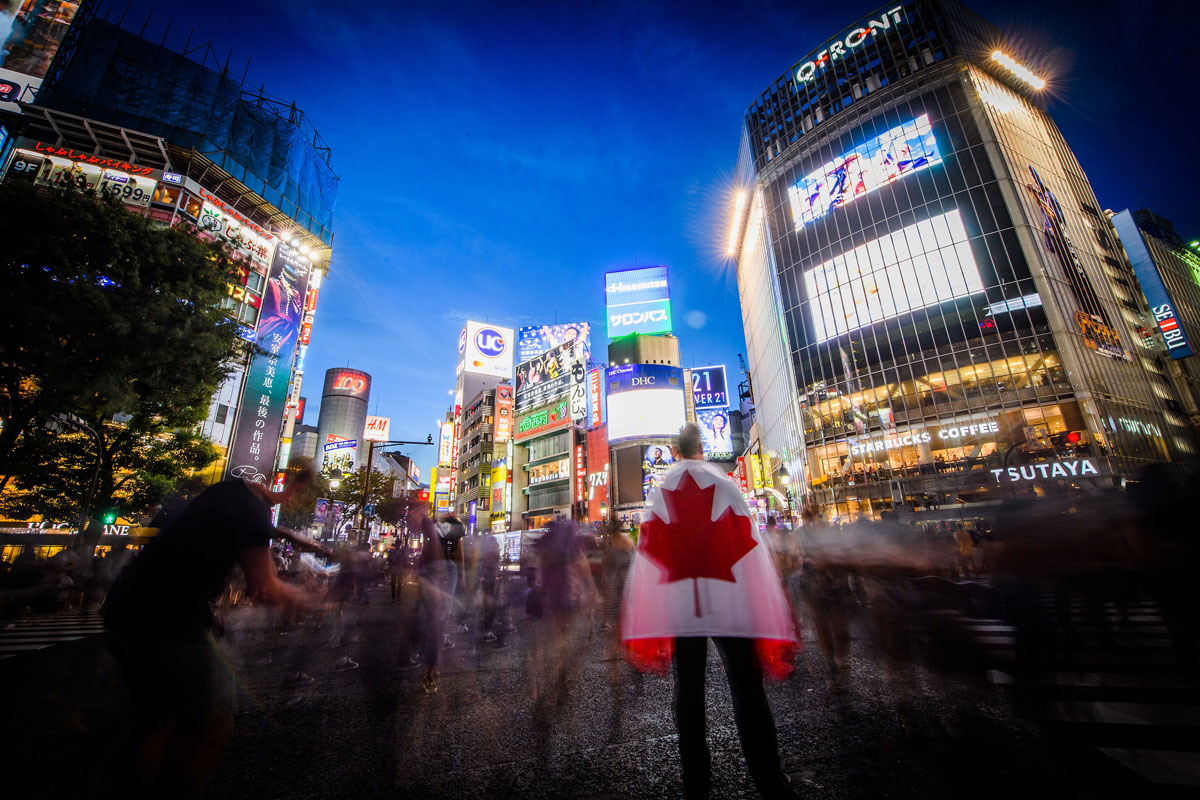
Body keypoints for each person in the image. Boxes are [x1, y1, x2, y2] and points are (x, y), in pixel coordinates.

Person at [102, 468, 325, 794]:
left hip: (129, 603)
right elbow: (264, 587)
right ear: (297, 488)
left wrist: (291, 537)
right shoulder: (253, 514)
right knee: (213, 721)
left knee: (157, 720)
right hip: (170, 617)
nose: (301, 502)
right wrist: (310, 600)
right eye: (306, 496)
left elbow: (253, 528)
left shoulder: (234, 491)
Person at [623, 424, 796, 799]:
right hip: (731, 597)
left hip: (681, 603)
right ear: (702, 447)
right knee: (747, 687)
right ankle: (769, 780)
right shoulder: (727, 486)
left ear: (674, 450)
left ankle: (697, 785)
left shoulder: (660, 492)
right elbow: (751, 546)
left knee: (689, 692)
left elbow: (649, 557)